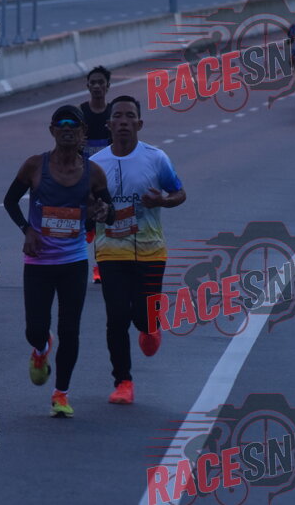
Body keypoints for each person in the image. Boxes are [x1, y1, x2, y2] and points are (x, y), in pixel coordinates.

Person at [3, 105, 115, 418]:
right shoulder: (34, 165)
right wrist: (27, 229)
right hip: (38, 262)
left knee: (70, 330)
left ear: (83, 133)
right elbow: (10, 201)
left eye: (73, 124)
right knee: (35, 329)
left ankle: (61, 394)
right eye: (61, 124)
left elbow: (109, 213)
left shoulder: (94, 173)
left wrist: (102, 212)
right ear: (52, 130)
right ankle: (41, 348)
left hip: (73, 263)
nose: (67, 129)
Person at [90, 95, 186, 405]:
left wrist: (162, 201)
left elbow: (179, 193)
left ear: (139, 123)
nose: (123, 121)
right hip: (110, 250)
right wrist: (93, 212)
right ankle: (123, 382)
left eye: (129, 116)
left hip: (150, 250)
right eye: (117, 116)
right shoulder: (95, 164)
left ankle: (150, 327)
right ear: (109, 124)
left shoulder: (156, 158)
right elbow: (85, 205)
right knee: (117, 316)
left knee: (144, 317)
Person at [80, 66, 113, 284]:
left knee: (103, 221)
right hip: (83, 174)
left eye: (101, 82)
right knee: (87, 224)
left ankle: (99, 268)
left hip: (107, 175)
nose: (97, 86)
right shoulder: (81, 112)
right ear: (88, 86)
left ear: (108, 86)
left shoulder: (113, 113)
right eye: (93, 83)